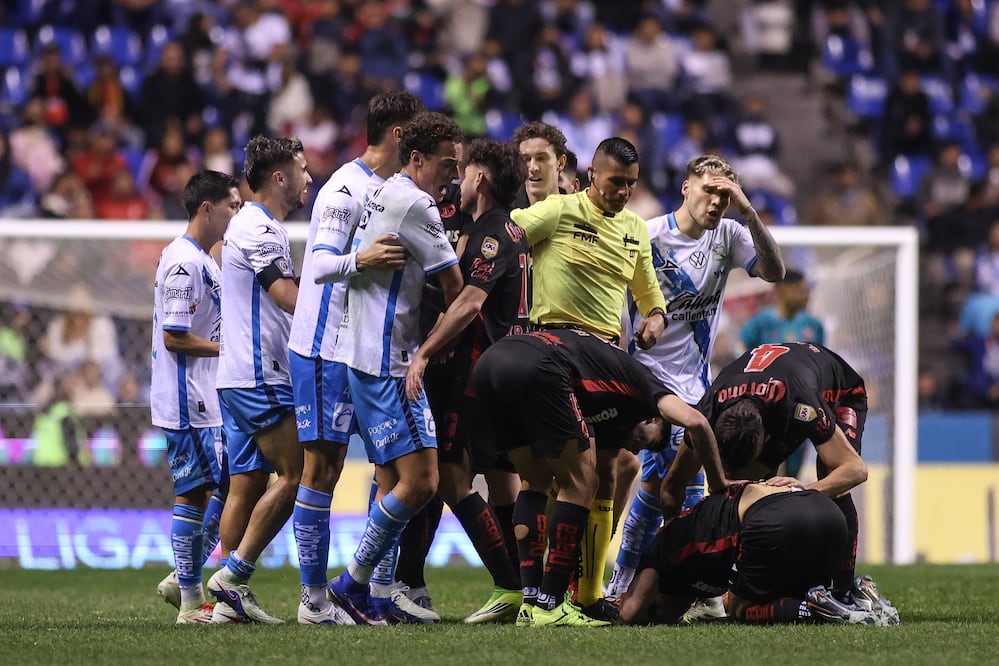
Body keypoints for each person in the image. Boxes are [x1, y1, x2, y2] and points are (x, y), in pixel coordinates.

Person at [504, 136, 677, 623]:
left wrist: (656, 318)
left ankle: (586, 592)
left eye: (631, 184)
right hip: (554, 353)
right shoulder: (559, 210)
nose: (623, 191)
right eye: (615, 182)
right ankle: (541, 590)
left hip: (604, 360)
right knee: (557, 474)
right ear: (591, 176)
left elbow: (649, 294)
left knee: (612, 467)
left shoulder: (635, 229)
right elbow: (508, 231)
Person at [607, 154, 785, 613]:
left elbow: (775, 272)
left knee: (658, 488)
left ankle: (634, 583)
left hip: (696, 385)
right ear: (686, 188)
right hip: (646, 380)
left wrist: (748, 210)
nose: (717, 202)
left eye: (726, 195)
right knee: (678, 487)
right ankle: (683, 588)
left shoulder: (728, 235)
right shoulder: (646, 235)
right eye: (710, 190)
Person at [471, 327, 730, 628]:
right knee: (582, 483)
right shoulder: (648, 388)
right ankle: (550, 605)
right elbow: (697, 422)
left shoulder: (612, 408)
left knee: (534, 481)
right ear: (653, 418)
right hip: (540, 366)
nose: (637, 449)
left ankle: (530, 603)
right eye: (648, 441)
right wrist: (719, 485)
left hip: (490, 365)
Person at [287, 91, 424, 626]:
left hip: (365, 350)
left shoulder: (394, 190)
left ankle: (372, 592)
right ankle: (313, 599)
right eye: (415, 132)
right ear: (398, 134)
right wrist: (362, 258)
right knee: (321, 469)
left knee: (390, 467)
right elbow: (320, 265)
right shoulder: (346, 188)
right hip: (324, 347)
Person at [325, 112, 464, 626]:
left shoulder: (382, 191)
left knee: (390, 481)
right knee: (423, 481)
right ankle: (352, 582)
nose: (453, 175)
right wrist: (433, 346)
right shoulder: (417, 203)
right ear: (417, 158)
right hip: (390, 361)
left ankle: (377, 595)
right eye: (447, 164)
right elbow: (456, 288)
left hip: (361, 353)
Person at [403, 138, 530, 624]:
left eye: (466, 170)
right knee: (486, 478)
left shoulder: (492, 234)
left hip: (476, 371)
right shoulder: (504, 229)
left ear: (480, 179)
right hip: (501, 369)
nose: (458, 178)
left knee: (452, 478)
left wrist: (423, 353)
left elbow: (471, 303)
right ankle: (525, 587)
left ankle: (510, 586)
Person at [659, 342, 871, 606]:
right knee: (752, 491)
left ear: (768, 438)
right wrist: (671, 555)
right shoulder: (708, 412)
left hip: (837, 392)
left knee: (832, 476)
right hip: (776, 388)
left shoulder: (800, 405)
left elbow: (855, 469)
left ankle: (844, 594)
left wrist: (801, 491)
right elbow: (672, 487)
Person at [208, 136, 312, 624]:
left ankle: (228, 602)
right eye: (302, 169)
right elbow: (286, 297)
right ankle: (233, 577)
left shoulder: (250, 224)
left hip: (238, 376)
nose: (308, 178)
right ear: (279, 177)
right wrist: (347, 286)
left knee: (246, 484)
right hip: (260, 374)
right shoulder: (260, 227)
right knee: (300, 473)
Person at [151, 170, 241, 624]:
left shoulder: (202, 258)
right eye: (232, 205)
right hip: (187, 398)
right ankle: (189, 600)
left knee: (228, 485)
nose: (236, 213)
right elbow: (174, 336)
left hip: (206, 395)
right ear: (207, 208)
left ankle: (181, 578)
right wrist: (228, 350)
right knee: (193, 493)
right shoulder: (185, 263)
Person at [619, 482, 899, 626]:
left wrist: (630, 607)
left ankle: (812, 610)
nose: (668, 616)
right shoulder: (690, 564)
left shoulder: (660, 549)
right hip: (827, 512)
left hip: (774, 521)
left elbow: (631, 612)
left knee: (740, 608)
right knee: (782, 595)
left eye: (656, 610)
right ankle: (857, 595)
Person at [740, 269, 825, 478]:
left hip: (801, 407)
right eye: (800, 290)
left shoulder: (814, 326)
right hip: (765, 405)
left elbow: (820, 366)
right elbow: (743, 359)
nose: (806, 295)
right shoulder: (759, 324)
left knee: (792, 473)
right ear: (782, 291)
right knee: (761, 471)